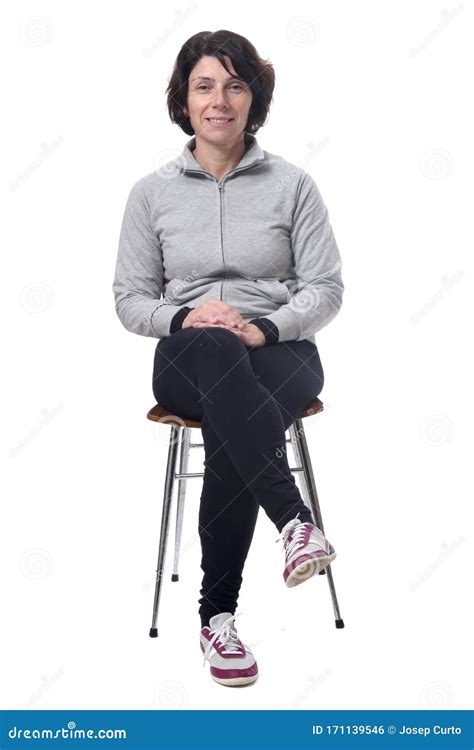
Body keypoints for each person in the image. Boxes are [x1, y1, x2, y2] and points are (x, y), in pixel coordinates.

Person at [112, 29, 344, 688]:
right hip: (188, 356)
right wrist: (187, 316)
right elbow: (130, 301)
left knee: (236, 413)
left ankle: (217, 619)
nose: (220, 100)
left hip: (282, 352)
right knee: (218, 359)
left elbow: (326, 289)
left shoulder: (294, 185)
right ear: (183, 102)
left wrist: (267, 328)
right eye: (205, 86)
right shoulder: (150, 194)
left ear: (254, 97)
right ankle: (296, 523)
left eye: (236, 85)